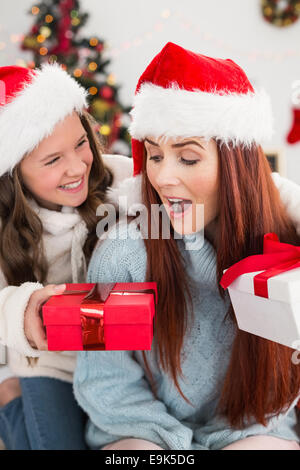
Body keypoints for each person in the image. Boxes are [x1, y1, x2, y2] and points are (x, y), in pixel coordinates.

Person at [73, 42, 300, 451]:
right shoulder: (119, 252)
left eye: (188, 158)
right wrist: (176, 448)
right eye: (155, 156)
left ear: (235, 165)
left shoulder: (283, 248)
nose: (163, 177)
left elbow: (277, 389)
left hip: (254, 427)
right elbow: (104, 379)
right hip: (136, 431)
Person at [0, 63, 133, 450]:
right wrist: (21, 307)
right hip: (49, 364)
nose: (77, 167)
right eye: (52, 160)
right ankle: (10, 399)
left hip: (118, 361)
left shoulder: (122, 181)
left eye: (81, 144)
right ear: (15, 174)